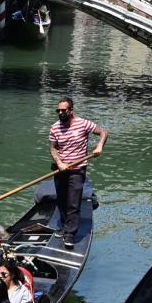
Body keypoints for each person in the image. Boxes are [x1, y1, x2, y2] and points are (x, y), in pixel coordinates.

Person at [49, 96, 107, 249]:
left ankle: (69, 234)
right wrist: (60, 162)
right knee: (61, 200)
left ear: (71, 110)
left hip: (77, 169)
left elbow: (103, 133)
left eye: (63, 110)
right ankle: (63, 225)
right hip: (60, 168)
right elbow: (53, 148)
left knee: (73, 203)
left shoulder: (84, 124)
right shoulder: (55, 127)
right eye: (58, 111)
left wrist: (99, 146)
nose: (60, 113)